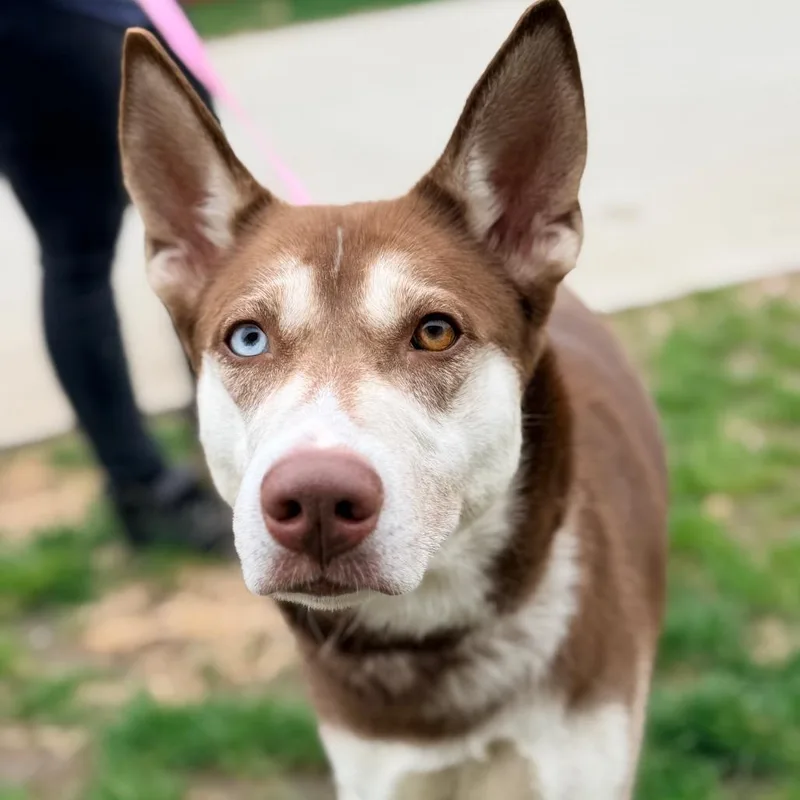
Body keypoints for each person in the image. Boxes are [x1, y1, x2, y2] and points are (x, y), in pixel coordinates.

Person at [0, 0, 232, 551]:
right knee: (191, 233)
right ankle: (155, 484)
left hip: (63, 27)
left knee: (192, 235)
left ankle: (172, 469)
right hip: (60, 24)